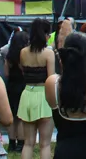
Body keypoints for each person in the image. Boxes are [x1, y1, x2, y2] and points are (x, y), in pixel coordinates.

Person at [19, 17, 56, 159]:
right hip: (44, 96)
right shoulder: (49, 53)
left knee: (28, 143)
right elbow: (51, 78)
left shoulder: (23, 52)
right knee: (45, 144)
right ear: (45, 34)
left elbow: (23, 72)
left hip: (27, 94)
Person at [4, 29, 30, 154]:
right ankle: (20, 143)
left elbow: (6, 73)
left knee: (12, 116)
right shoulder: (24, 56)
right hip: (22, 86)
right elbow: (25, 72)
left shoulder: (9, 56)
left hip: (11, 87)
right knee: (20, 117)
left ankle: (11, 143)